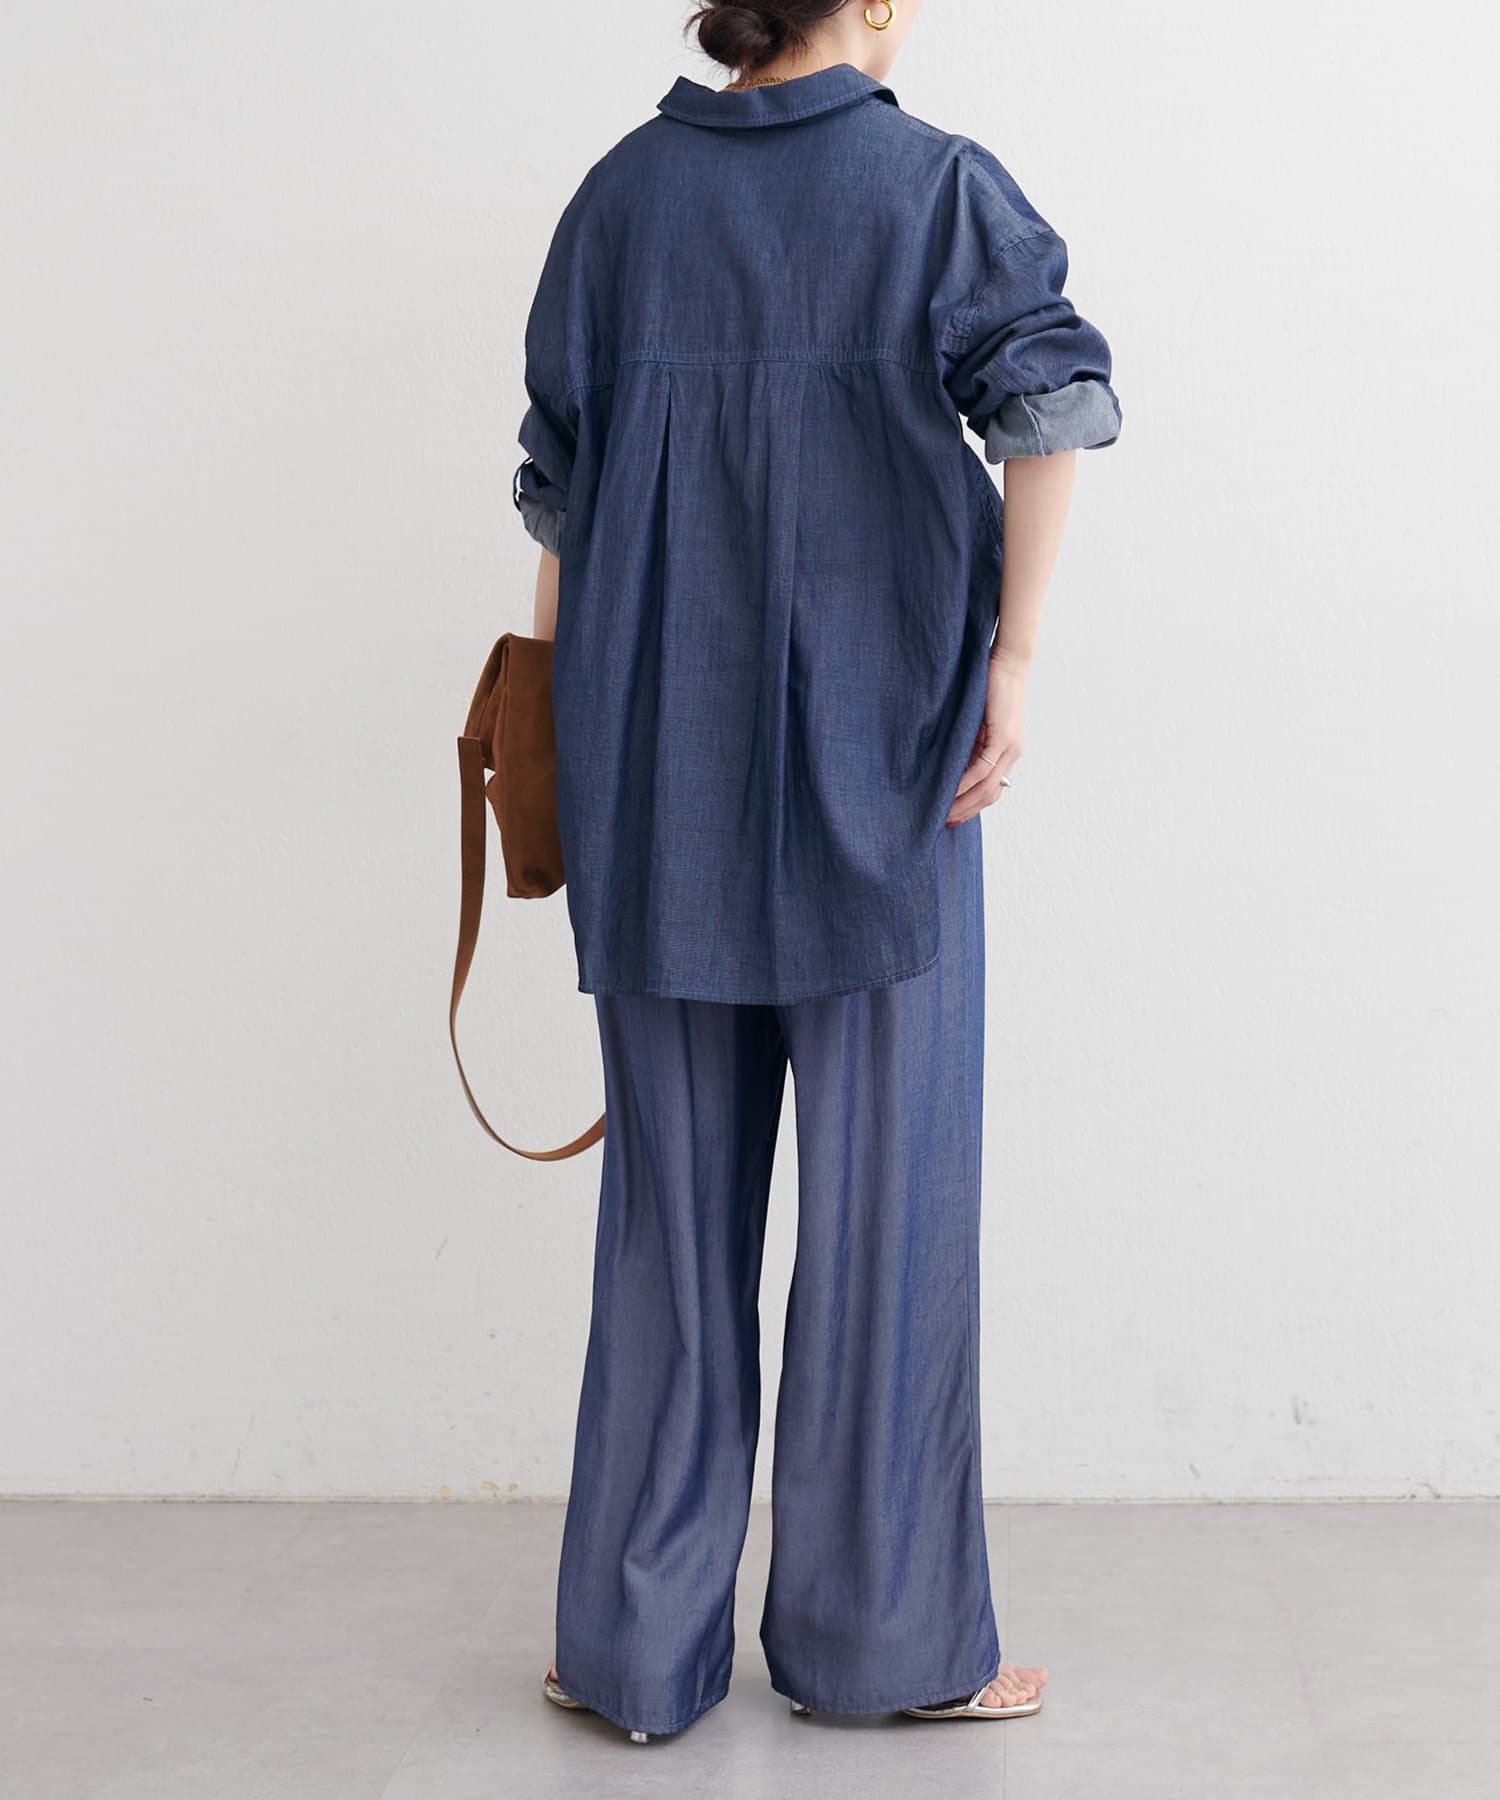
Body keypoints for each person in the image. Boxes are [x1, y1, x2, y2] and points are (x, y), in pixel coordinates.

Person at [513, 0, 1120, 1743]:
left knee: (668, 1226)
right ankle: (885, 1646)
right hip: (888, 775)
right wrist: (1013, 662)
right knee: (887, 1226)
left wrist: (555, 725)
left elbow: (561, 491)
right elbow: (1050, 408)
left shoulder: (621, 196)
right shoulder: (934, 187)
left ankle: (631, 1656)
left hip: (653, 773)